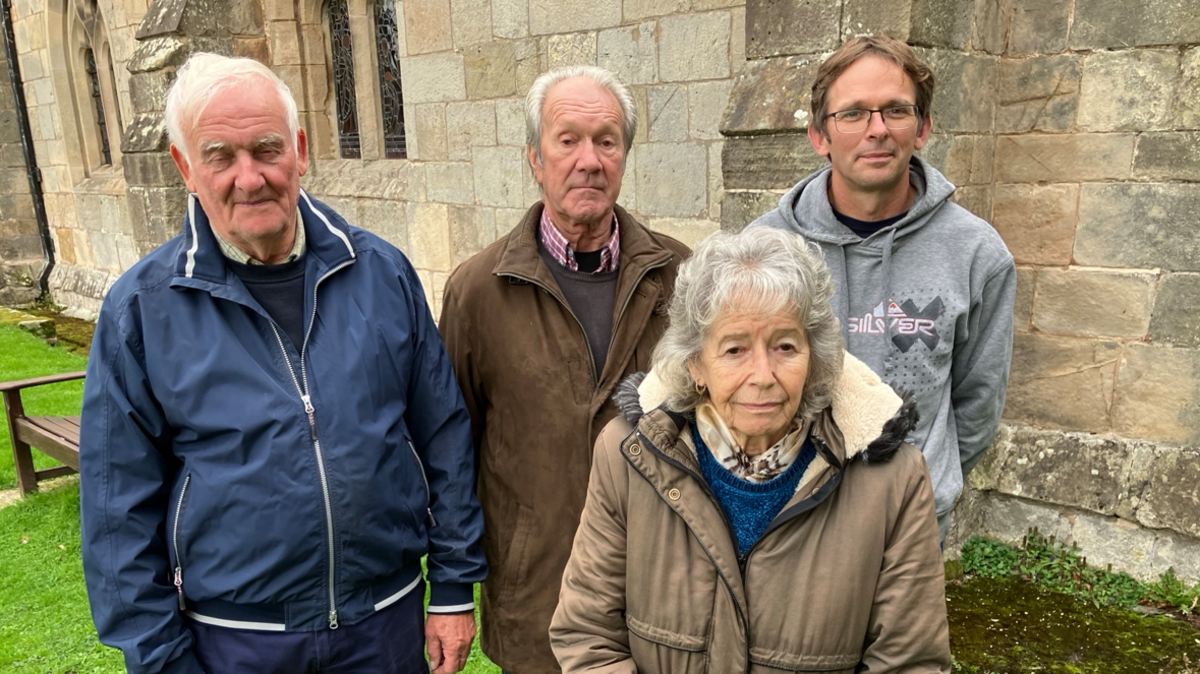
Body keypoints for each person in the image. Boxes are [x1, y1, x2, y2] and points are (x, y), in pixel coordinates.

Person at [79, 53, 485, 674]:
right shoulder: (142, 309)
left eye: (266, 149)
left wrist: (454, 586)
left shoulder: (381, 273)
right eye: (220, 155)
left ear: (298, 149)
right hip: (237, 643)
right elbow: (116, 511)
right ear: (185, 166)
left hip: (386, 627)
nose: (250, 177)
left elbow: (444, 436)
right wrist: (159, 659)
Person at [550, 228, 951, 672]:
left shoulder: (892, 481)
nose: (762, 375)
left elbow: (909, 662)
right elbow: (588, 636)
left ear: (814, 358)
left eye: (784, 346)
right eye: (735, 348)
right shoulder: (627, 454)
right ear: (696, 364)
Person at [439, 65, 690, 674]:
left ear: (625, 157)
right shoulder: (478, 290)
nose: (589, 160)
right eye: (567, 139)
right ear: (534, 156)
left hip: (664, 596)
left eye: (607, 140)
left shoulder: (681, 278)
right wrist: (452, 587)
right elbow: (450, 450)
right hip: (538, 600)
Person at [750, 35, 1016, 538]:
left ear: (923, 127)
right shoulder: (764, 247)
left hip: (910, 524)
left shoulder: (977, 254)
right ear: (819, 136)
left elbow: (978, 403)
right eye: (852, 114)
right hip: (788, 517)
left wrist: (921, 477)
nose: (877, 130)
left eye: (895, 110)